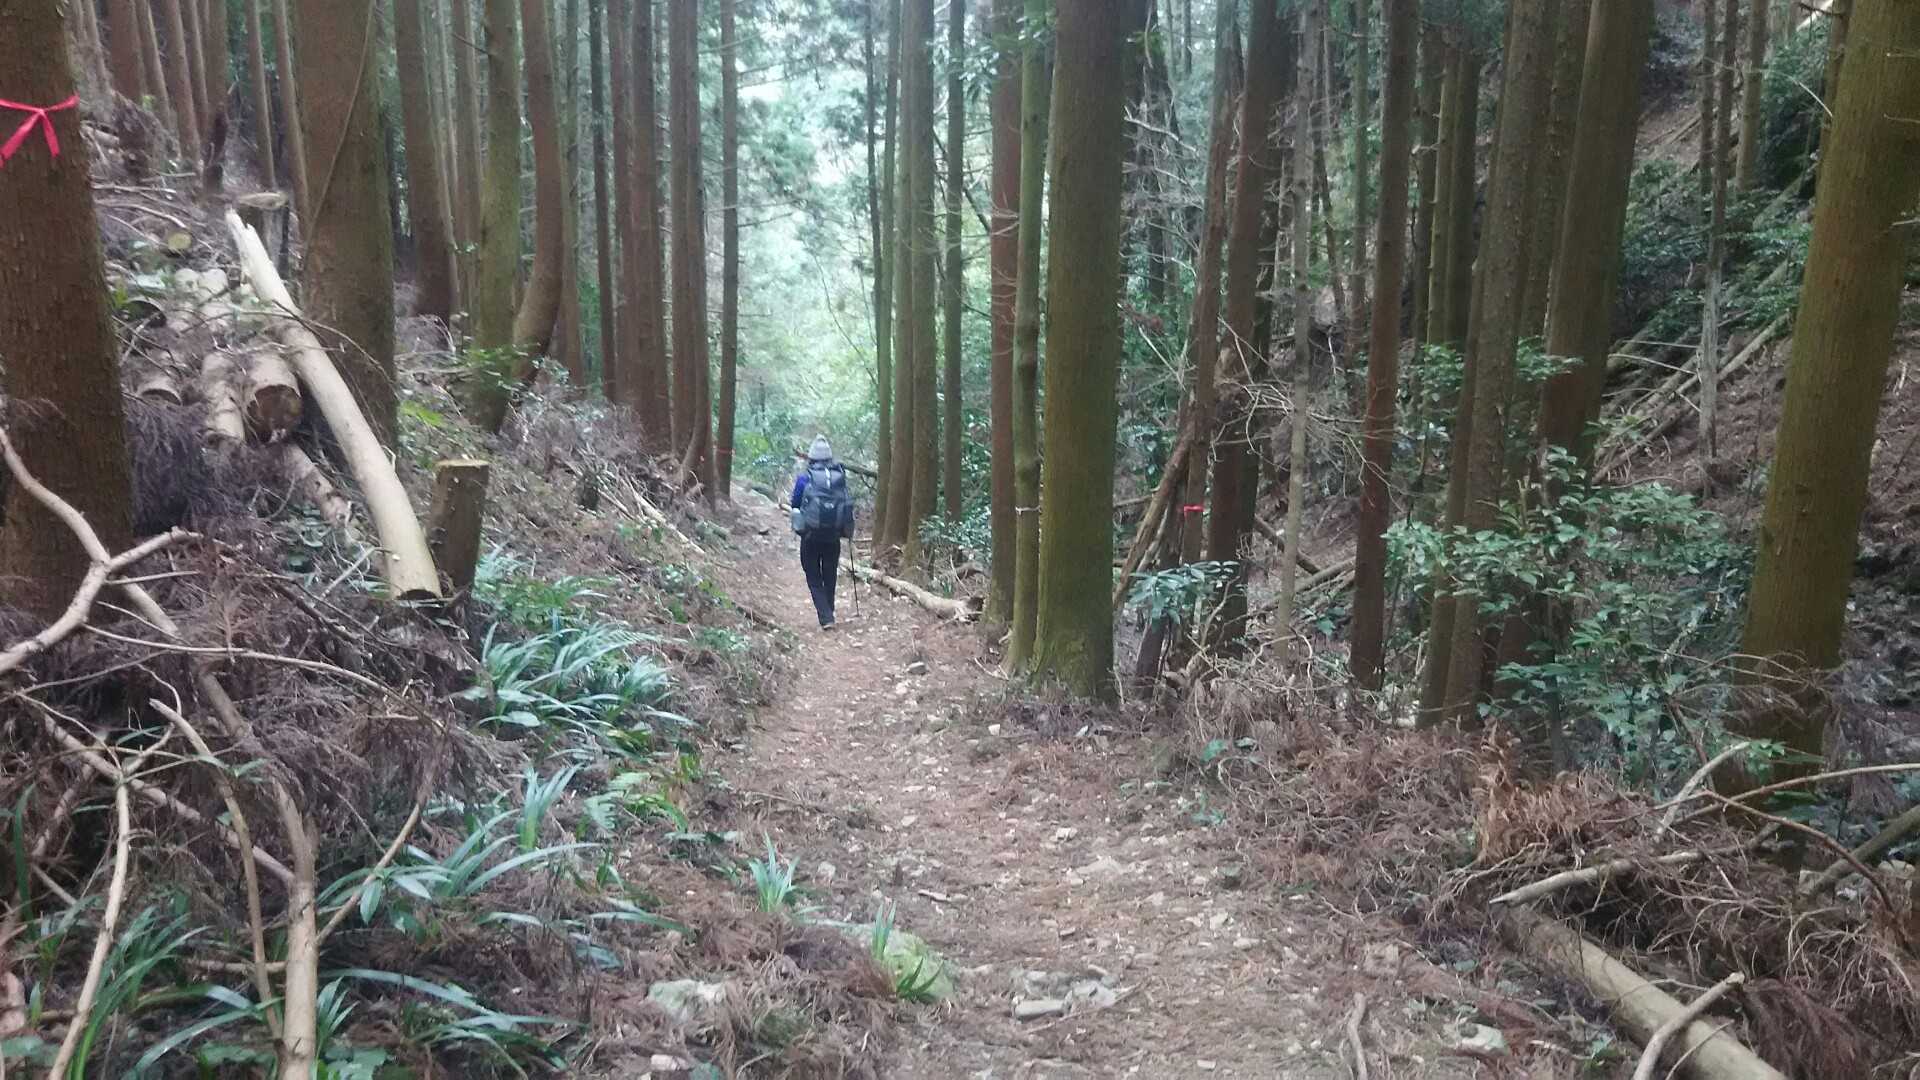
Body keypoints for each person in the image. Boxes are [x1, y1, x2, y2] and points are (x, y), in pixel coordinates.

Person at [791, 436, 852, 630]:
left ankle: (826, 617)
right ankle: (829, 611)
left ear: (810, 457)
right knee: (829, 573)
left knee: (813, 574)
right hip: (833, 535)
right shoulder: (839, 476)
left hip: (810, 535)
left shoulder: (805, 478)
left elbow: (795, 504)